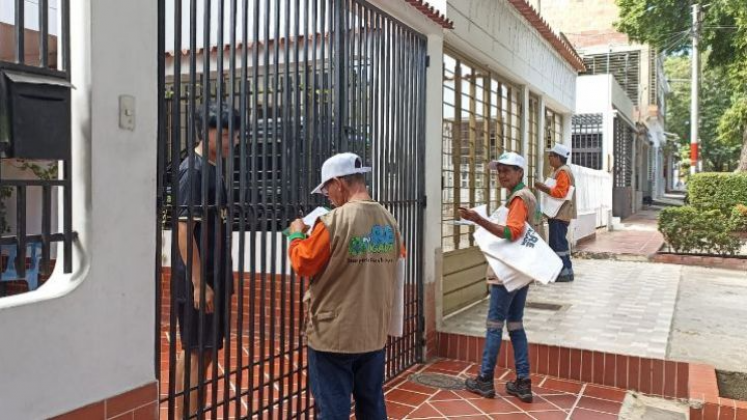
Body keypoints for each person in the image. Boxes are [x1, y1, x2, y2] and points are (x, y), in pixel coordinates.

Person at [287, 152, 404, 420]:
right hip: (373, 333)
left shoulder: (332, 222)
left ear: (339, 183)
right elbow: (398, 258)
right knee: (372, 404)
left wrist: (295, 234)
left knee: (333, 410)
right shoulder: (390, 220)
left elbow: (303, 263)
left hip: (334, 336)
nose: (328, 197)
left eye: (327, 189)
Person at [173, 102, 240, 418]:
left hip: (214, 278)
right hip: (199, 282)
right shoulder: (194, 172)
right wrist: (199, 284)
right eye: (225, 134)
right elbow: (184, 231)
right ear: (206, 132)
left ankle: (195, 412)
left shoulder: (213, 169)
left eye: (234, 135)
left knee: (208, 349)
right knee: (196, 351)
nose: (232, 141)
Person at [459, 152, 537, 403]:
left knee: (494, 326)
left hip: (506, 273)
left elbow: (511, 232)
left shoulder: (518, 198)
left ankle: (485, 379)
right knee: (515, 325)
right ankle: (523, 382)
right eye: (499, 170)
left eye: (507, 170)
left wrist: (478, 220)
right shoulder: (528, 196)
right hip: (520, 272)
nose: (502, 175)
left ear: (520, 173)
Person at [534, 143, 577, 282]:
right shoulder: (562, 170)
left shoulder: (563, 172)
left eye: (551, 156)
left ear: (558, 157)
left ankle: (562, 273)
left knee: (557, 244)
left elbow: (560, 193)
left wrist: (542, 187)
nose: (549, 159)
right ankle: (567, 271)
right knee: (560, 244)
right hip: (560, 214)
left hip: (559, 214)